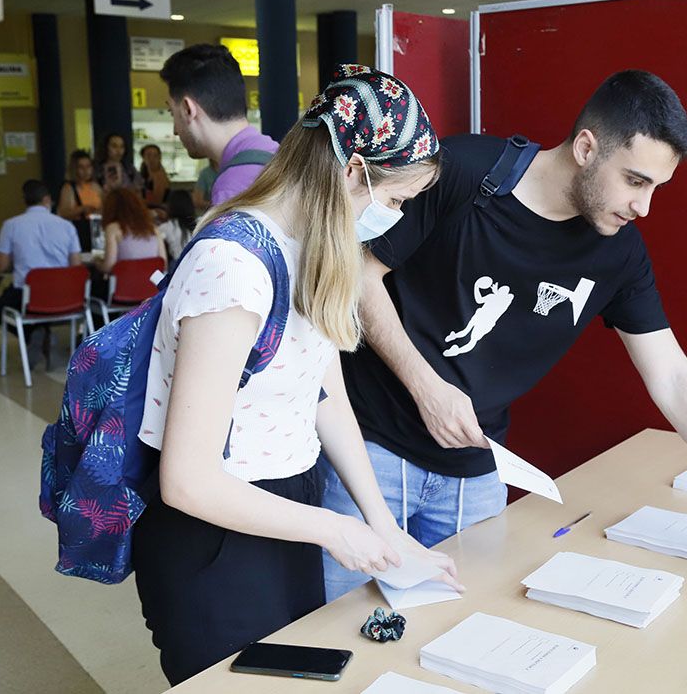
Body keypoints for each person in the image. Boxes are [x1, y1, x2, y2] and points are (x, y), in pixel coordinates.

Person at [321, 70, 687, 601]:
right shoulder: (464, 171)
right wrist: (426, 387)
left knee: (452, 627)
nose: (644, 207)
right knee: (341, 628)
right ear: (587, 147)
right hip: (370, 448)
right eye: (636, 181)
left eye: (656, 188)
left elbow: (671, 375)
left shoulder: (619, 251)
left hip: (475, 470)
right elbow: (360, 275)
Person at [130, 65, 455, 684]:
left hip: (287, 508)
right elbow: (188, 480)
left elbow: (325, 396)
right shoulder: (232, 266)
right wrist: (338, 529)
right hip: (214, 537)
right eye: (395, 202)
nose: (394, 219)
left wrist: (386, 532)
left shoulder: (305, 249)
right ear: (354, 173)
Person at [159, 43, 278, 209]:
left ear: (188, 109)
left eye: (172, 113)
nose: (175, 131)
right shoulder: (277, 154)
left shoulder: (230, 188)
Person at [0, 180, 82, 365]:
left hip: (27, 296)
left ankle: (32, 333)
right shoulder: (67, 226)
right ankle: (42, 333)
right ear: (47, 199)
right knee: (45, 302)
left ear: (25, 200)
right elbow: (76, 266)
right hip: (64, 296)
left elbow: (0, 266)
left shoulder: (11, 225)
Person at [97, 188, 166, 281]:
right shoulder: (153, 229)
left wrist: (97, 263)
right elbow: (163, 264)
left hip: (124, 289)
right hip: (151, 290)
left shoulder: (113, 228)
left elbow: (109, 266)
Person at [57, 150, 104, 253]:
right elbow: (63, 213)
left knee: (99, 257)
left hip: (97, 228)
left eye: (88, 166)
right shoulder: (69, 188)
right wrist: (82, 209)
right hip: (80, 229)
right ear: (75, 169)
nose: (86, 170)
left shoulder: (96, 186)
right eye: (81, 167)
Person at [157, 189, 194, 260]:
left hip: (177, 264)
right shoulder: (198, 223)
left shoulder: (168, 226)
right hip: (195, 263)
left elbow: (155, 239)